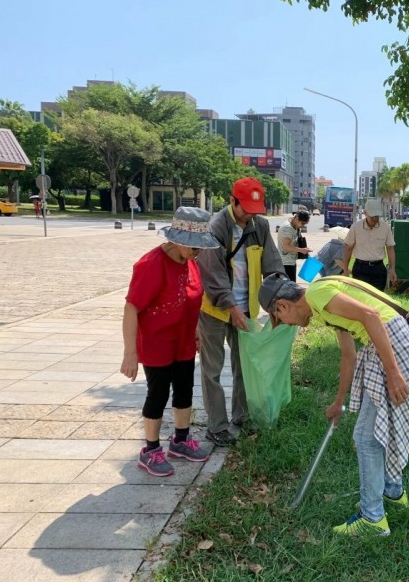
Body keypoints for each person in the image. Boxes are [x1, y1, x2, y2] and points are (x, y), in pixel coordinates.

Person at [258, 273, 409, 536]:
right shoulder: (321, 306)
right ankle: (392, 492)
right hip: (387, 344)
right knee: (383, 426)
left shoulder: (318, 294)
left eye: (279, 319)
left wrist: (393, 372)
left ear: (282, 305)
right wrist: (338, 402)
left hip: (390, 345)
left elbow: (372, 316)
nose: (285, 324)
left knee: (366, 438)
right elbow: (348, 355)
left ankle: (373, 520)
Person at [120, 207, 221, 477]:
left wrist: (197, 329)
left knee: (185, 390)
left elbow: (192, 299)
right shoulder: (151, 265)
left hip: (183, 340)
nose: (197, 252)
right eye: (193, 247)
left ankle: (180, 440)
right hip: (157, 343)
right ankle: (151, 450)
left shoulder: (191, 262)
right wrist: (130, 352)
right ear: (176, 239)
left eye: (200, 248)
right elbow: (132, 308)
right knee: (158, 394)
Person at [196, 177, 285, 447]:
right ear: (232, 200)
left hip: (245, 307)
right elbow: (212, 275)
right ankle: (217, 426)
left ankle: (241, 416)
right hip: (214, 309)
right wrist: (230, 306)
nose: (249, 215)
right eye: (244, 208)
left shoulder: (260, 225)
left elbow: (273, 262)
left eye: (254, 209)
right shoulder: (215, 227)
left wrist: (281, 298)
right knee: (212, 370)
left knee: (244, 366)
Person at [341, 198, 397, 291]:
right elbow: (348, 248)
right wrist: (346, 270)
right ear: (365, 213)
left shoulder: (385, 227)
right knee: (360, 298)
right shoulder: (356, 227)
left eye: (377, 217)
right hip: (360, 268)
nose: (374, 220)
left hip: (378, 269)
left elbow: (390, 249)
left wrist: (393, 270)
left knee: (377, 299)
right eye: (372, 217)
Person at [278, 208, 312, 281]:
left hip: (290, 260)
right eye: (302, 223)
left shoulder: (294, 225)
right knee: (288, 286)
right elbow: (286, 246)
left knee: (291, 285)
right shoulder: (288, 228)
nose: (303, 225)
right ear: (297, 218)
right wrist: (301, 250)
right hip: (285, 263)